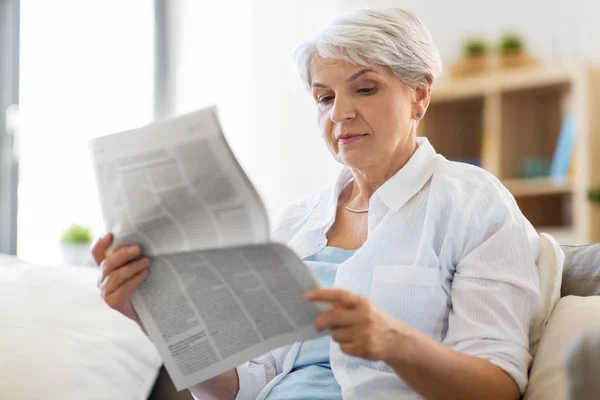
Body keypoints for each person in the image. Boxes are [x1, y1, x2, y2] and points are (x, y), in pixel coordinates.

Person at [92, 8, 540, 400]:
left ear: (419, 95)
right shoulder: (294, 223)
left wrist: (392, 341)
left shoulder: (474, 203)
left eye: (364, 89)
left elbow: (496, 388)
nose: (339, 113)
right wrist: (152, 317)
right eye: (324, 97)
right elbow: (241, 388)